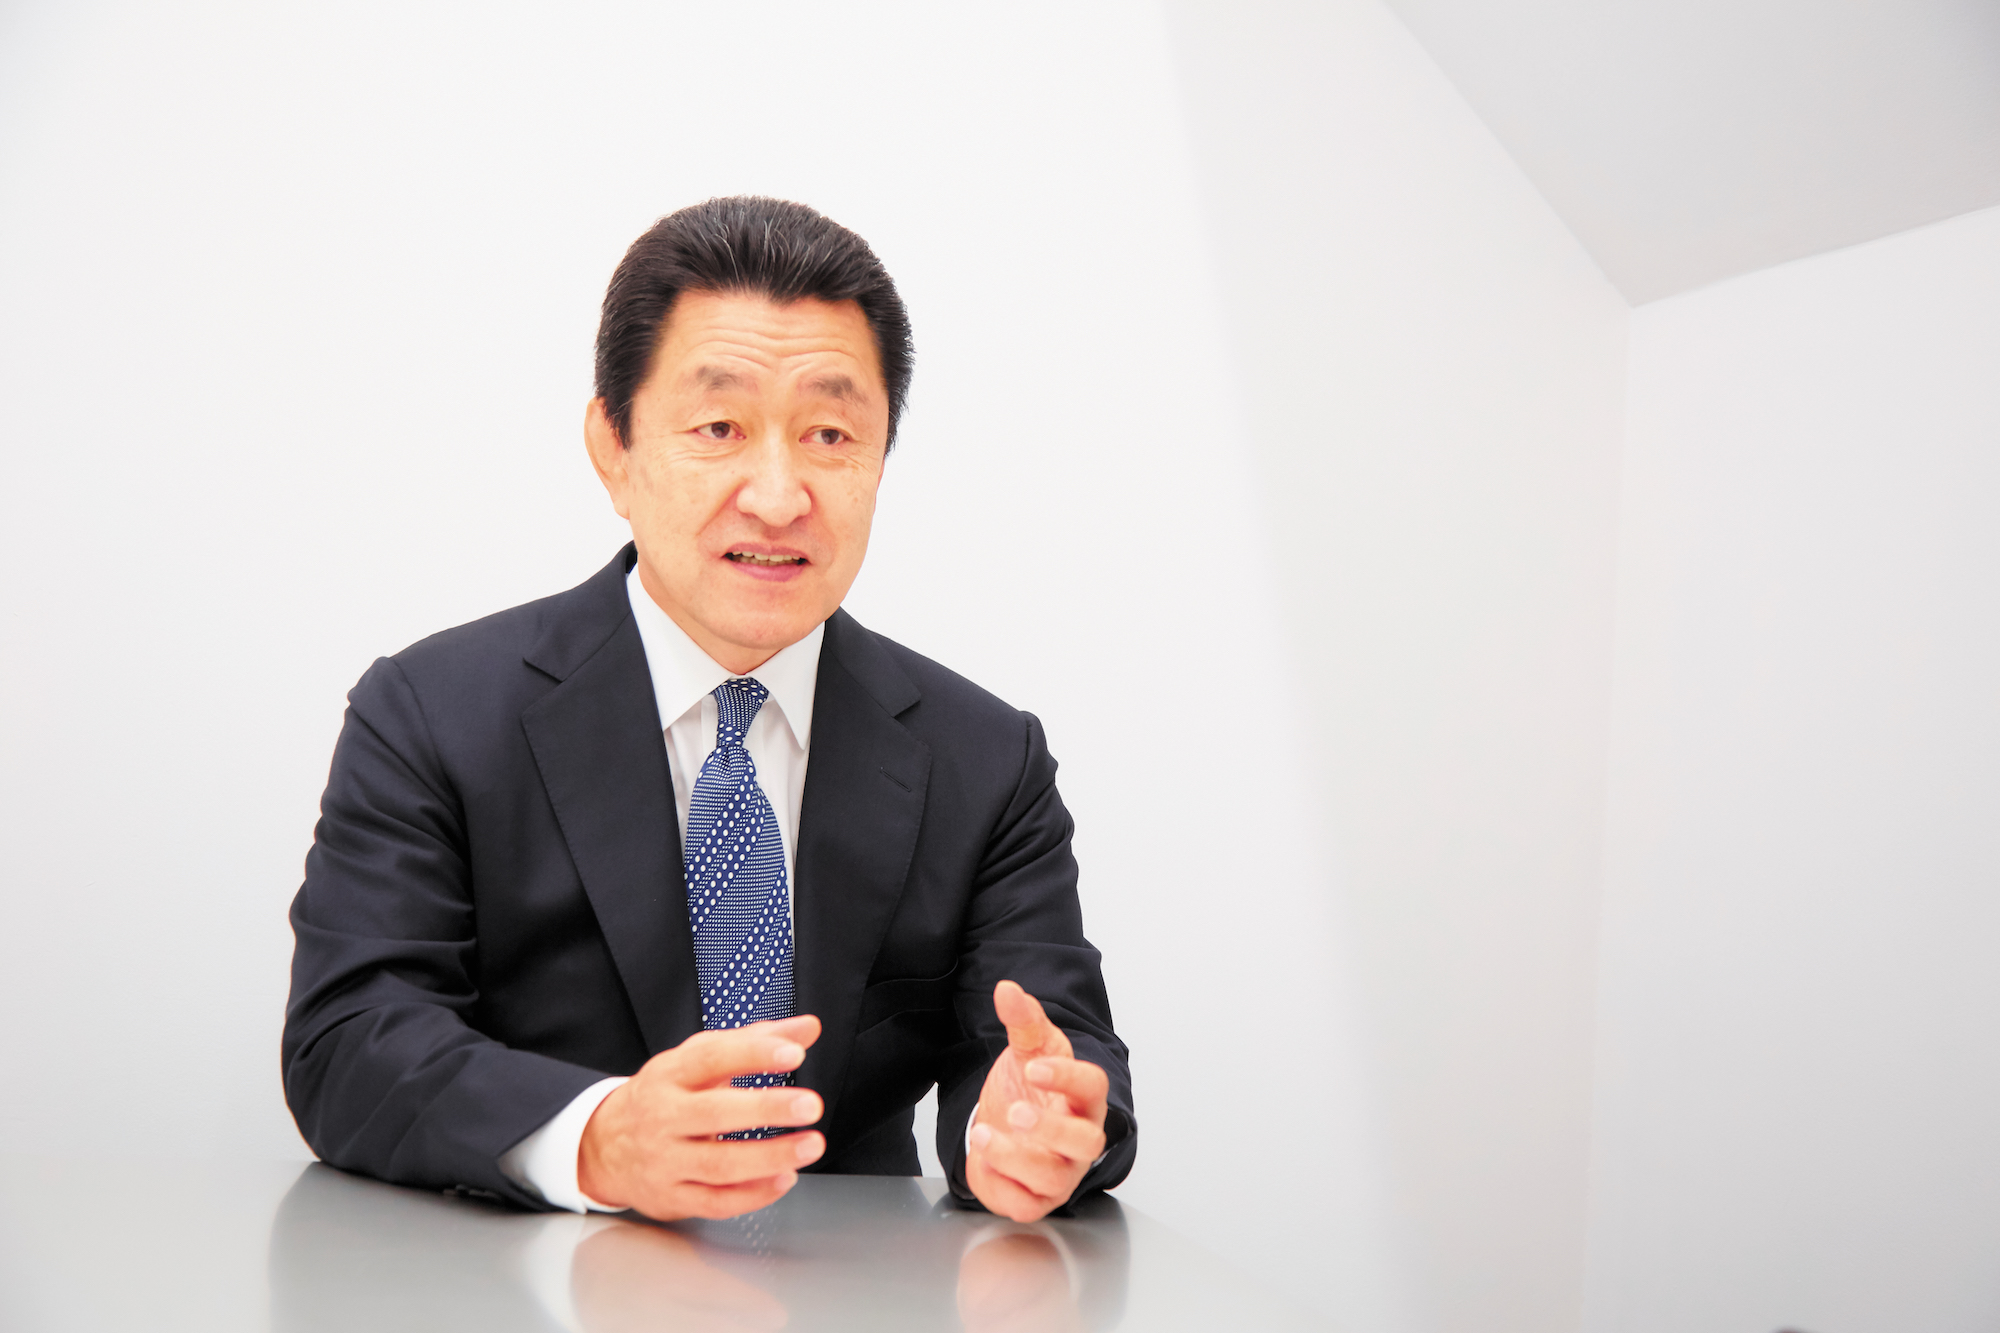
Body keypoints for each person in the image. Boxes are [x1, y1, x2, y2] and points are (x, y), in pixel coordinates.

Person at [282, 196, 1136, 1224]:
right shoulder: (432, 715)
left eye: (830, 433)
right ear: (613, 448)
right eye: (719, 427)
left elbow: (1050, 1046)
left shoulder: (985, 761)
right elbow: (350, 1038)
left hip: (856, 1289)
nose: (777, 496)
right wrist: (596, 1138)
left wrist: (1033, 1129)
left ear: (879, 460)